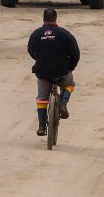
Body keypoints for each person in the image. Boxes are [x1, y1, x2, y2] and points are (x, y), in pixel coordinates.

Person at [27, 7, 81, 137]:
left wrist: (40, 59)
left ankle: (41, 127)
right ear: (55, 19)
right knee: (70, 84)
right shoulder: (65, 34)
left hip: (43, 72)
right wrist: (71, 67)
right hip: (62, 71)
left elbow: (31, 50)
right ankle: (63, 103)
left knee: (41, 98)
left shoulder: (36, 34)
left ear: (43, 19)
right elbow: (75, 53)